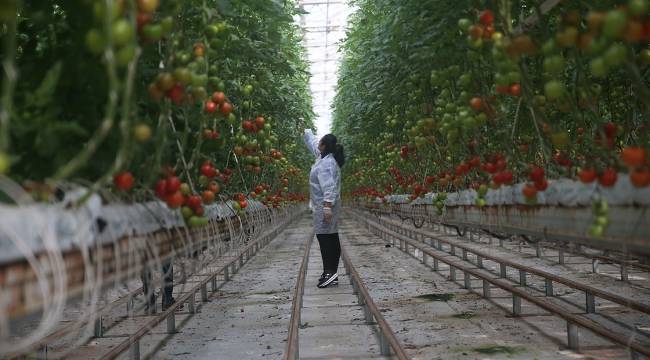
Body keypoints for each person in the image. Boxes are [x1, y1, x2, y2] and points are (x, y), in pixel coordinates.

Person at [303, 129, 345, 288]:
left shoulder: (327, 164)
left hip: (325, 206)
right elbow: (314, 145)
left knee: (326, 239)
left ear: (324, 146)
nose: (317, 143)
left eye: (319, 141)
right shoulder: (324, 157)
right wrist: (306, 132)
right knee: (330, 236)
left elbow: (329, 187)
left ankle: (330, 272)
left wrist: (327, 206)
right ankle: (331, 272)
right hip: (324, 205)